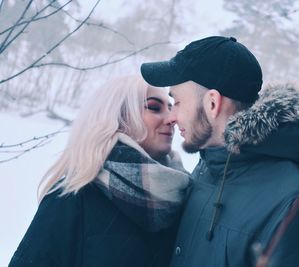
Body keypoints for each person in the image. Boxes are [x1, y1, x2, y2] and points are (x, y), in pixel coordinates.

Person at [139, 36, 299, 267]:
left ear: (212, 103)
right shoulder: (210, 167)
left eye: (177, 103)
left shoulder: (295, 206)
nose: (171, 118)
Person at [9, 75, 190, 267]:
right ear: (119, 117)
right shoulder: (73, 197)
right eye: (154, 107)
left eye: (171, 107)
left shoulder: (186, 194)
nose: (172, 118)